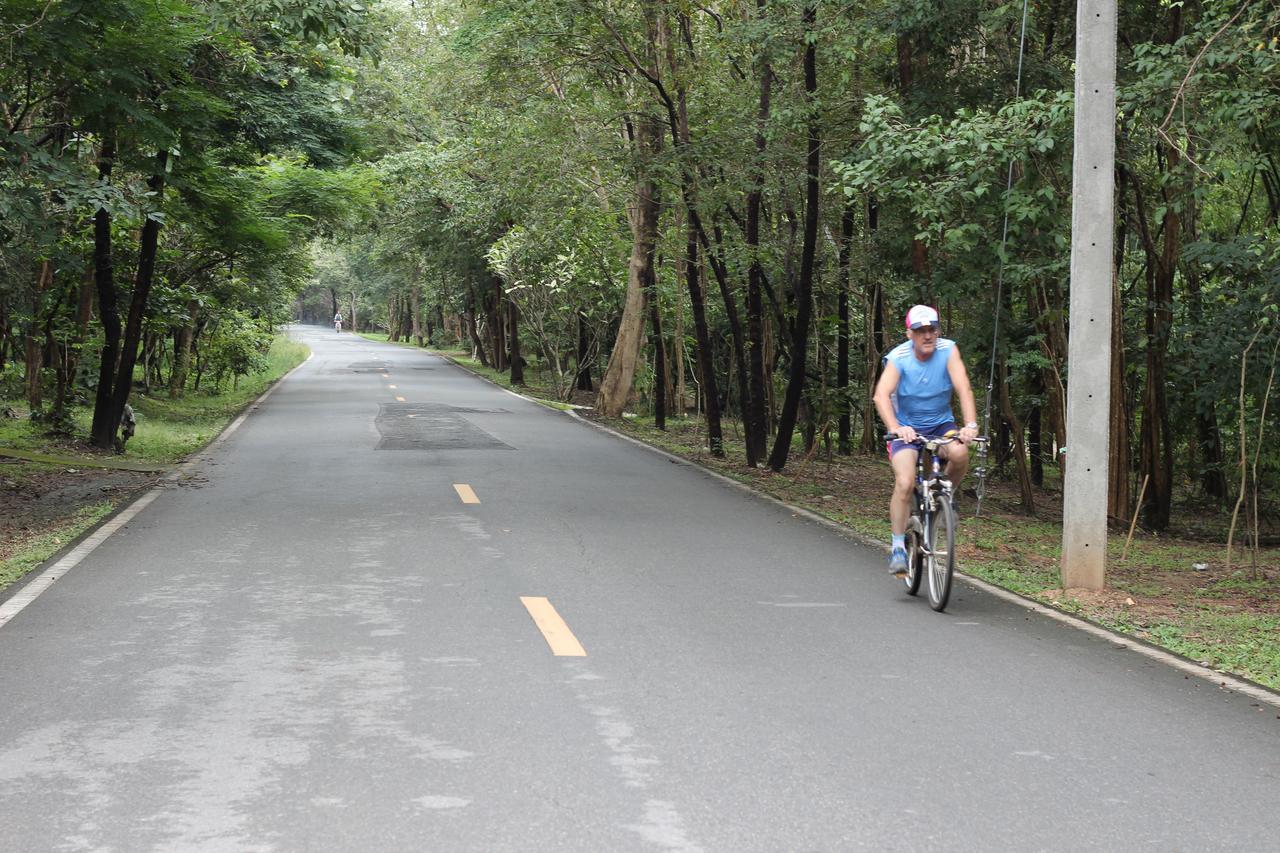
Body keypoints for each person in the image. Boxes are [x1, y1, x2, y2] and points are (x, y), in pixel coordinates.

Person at [872, 304, 979, 575]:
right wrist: (896, 427)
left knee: (960, 454)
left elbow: (963, 387)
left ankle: (946, 497)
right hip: (906, 429)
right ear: (910, 334)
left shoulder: (948, 350)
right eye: (921, 331)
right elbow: (881, 395)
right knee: (905, 482)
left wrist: (970, 425)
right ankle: (897, 546)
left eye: (932, 329)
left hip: (941, 424)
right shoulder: (899, 357)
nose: (927, 336)